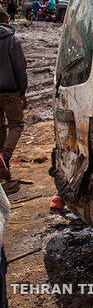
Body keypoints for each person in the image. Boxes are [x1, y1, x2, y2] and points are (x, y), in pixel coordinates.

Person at [0, 9, 28, 181]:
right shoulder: (12, 41)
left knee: (0, 128)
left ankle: (3, 167)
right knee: (16, 124)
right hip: (10, 90)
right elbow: (20, 68)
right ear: (6, 20)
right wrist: (22, 91)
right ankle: (4, 156)